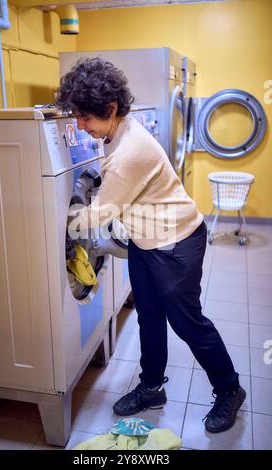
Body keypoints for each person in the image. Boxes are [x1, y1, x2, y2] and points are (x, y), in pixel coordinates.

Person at [55, 57, 246, 433]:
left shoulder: (129, 152)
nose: (80, 126)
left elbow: (102, 210)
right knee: (149, 316)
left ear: (110, 109)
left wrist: (51, 221)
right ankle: (152, 387)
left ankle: (229, 389)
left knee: (187, 322)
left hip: (176, 242)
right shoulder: (118, 130)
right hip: (147, 240)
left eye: (84, 118)